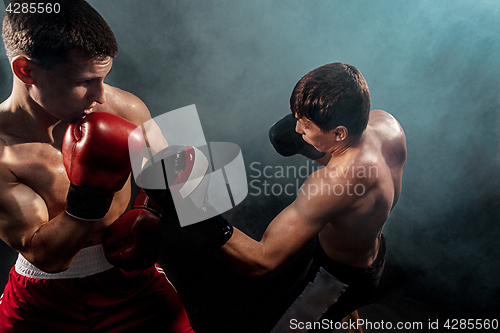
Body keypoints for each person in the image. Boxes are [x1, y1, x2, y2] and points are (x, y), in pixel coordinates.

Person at [0, 1, 194, 332]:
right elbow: (47, 258)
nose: (101, 96)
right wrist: (91, 195)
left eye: (104, 78)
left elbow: (189, 190)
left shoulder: (126, 107)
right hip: (43, 303)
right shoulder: (5, 151)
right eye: (85, 81)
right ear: (25, 71)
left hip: (134, 286)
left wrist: (153, 209)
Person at [212, 63, 407, 331]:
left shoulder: (329, 185)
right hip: (373, 255)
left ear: (339, 132)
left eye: (305, 124)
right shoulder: (387, 125)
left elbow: (261, 260)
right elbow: (353, 163)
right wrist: (311, 147)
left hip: (338, 279)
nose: (297, 129)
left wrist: (197, 211)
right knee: (346, 311)